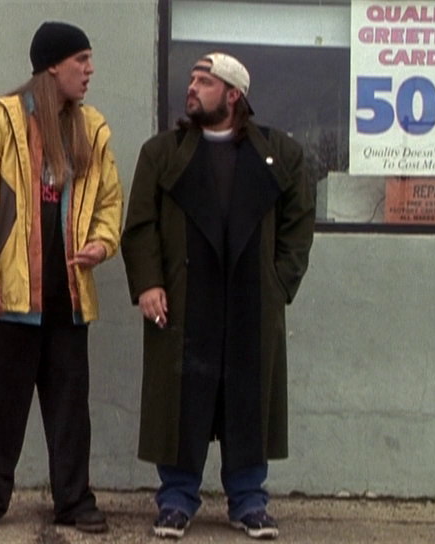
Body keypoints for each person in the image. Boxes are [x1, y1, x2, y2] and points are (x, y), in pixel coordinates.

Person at [120, 52, 315, 540]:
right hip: (185, 296)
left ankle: (249, 501)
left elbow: (299, 225)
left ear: (233, 95)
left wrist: (278, 282)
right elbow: (140, 225)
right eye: (191, 79)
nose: (192, 87)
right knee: (181, 398)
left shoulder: (280, 153)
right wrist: (148, 282)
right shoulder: (162, 153)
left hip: (251, 298)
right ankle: (176, 499)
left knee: (248, 398)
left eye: (204, 81)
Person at [0, 21, 123, 535]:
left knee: (70, 411)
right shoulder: (1, 123)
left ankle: (74, 500)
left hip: (68, 297)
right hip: (7, 298)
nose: (90, 71)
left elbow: (109, 202)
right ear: (52, 66)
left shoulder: (91, 128)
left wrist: (103, 243)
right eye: (81, 60)